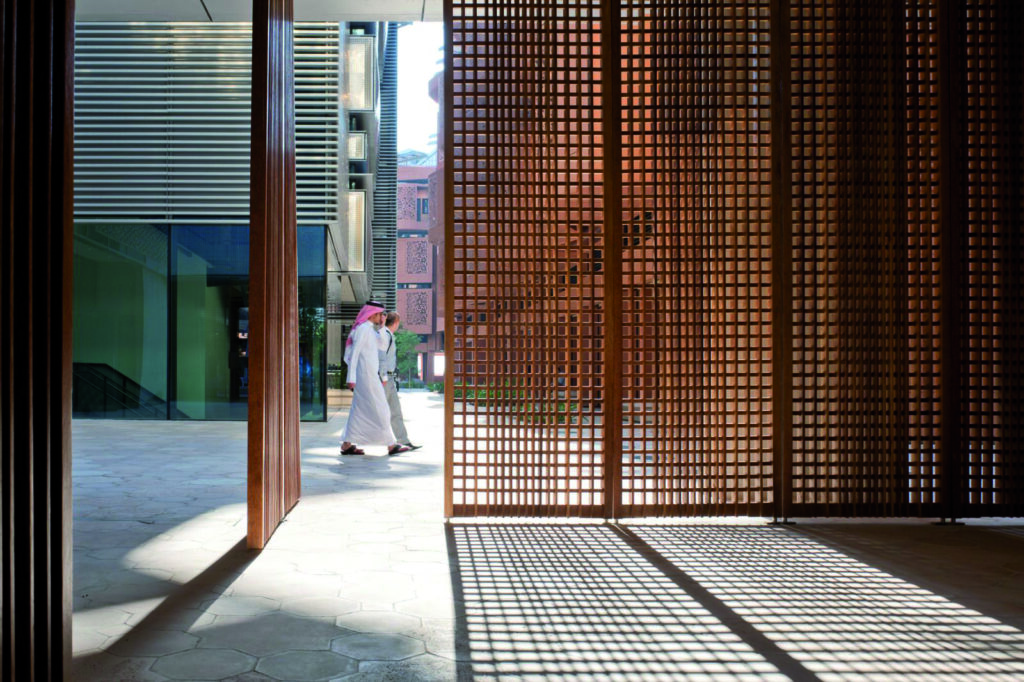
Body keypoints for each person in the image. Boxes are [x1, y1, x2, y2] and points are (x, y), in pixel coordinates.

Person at [340, 301, 411, 456]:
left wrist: (383, 326)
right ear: (373, 314)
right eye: (380, 315)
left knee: (358, 411)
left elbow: (382, 346)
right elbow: (355, 354)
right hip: (366, 377)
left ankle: (347, 444)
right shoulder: (363, 329)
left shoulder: (371, 330)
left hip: (370, 376)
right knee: (382, 409)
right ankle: (391, 445)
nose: (382, 317)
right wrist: (351, 378)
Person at [379, 312, 420, 450]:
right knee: (380, 413)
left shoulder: (389, 335)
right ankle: (351, 440)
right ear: (395, 322)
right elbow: (381, 358)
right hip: (385, 379)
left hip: (389, 379)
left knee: (395, 411)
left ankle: (403, 440)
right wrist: (384, 377)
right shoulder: (385, 335)